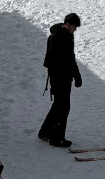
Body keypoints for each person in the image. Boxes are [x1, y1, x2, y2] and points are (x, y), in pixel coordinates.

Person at [39, 13, 83, 147]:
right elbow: (52, 60)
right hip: (59, 78)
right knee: (63, 108)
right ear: (68, 24)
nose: (75, 29)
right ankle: (56, 138)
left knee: (59, 106)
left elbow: (70, 57)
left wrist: (76, 75)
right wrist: (64, 74)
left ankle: (45, 132)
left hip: (64, 77)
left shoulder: (68, 36)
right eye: (74, 27)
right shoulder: (57, 37)